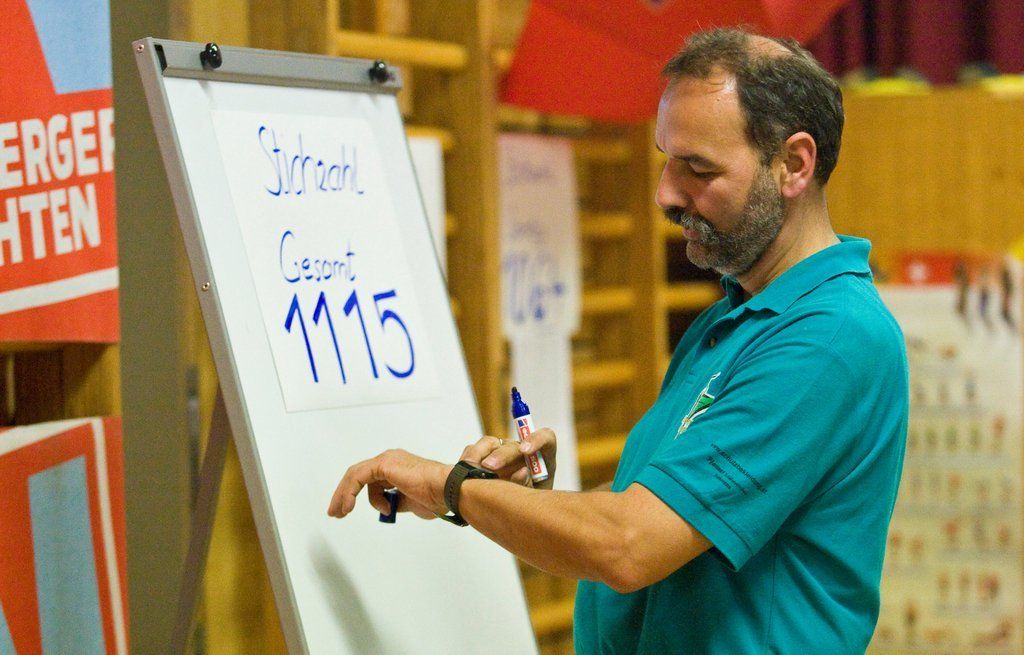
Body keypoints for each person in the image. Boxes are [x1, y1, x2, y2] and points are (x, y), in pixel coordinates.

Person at [328, 27, 908, 654]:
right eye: (667, 160)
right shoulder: (736, 318)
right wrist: (512, 500)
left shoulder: (828, 338)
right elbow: (672, 510)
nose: (666, 193)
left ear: (794, 164)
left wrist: (451, 487)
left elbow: (629, 544)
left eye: (698, 168)